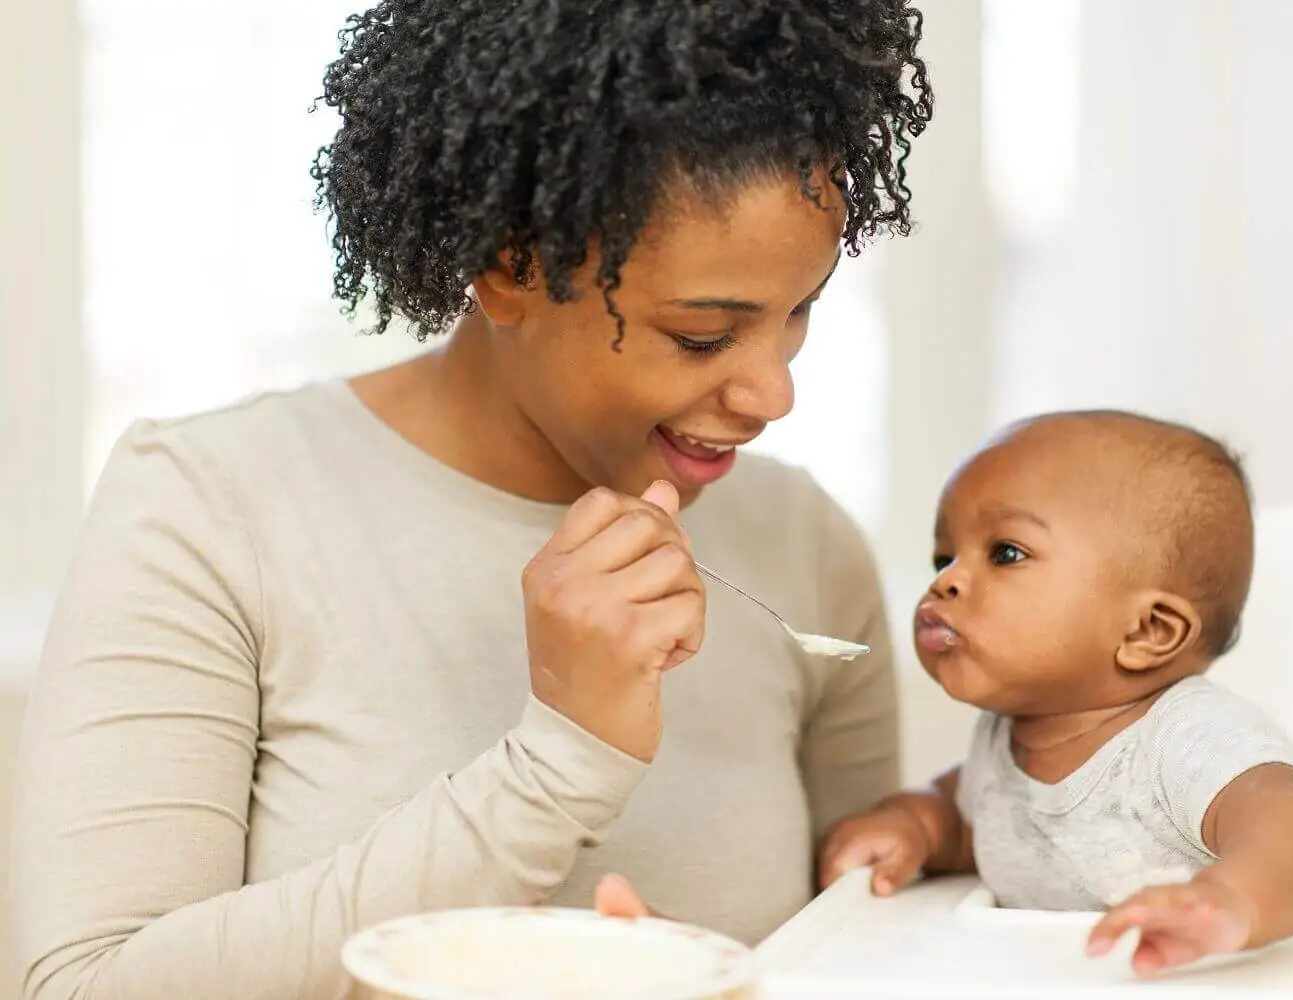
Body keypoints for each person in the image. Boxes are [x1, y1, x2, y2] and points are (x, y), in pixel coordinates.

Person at [7, 2, 933, 997]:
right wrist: (562, 760)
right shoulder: (210, 506)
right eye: (703, 335)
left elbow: (863, 952)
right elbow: (80, 985)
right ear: (510, 266)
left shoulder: (807, 546)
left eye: (800, 312)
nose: (774, 395)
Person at [820, 411, 1293, 978]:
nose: (945, 580)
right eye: (944, 556)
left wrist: (1230, 902)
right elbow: (976, 824)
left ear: (1147, 631)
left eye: (1006, 553)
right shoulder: (1001, 742)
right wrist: (914, 828)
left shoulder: (1187, 738)